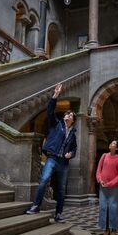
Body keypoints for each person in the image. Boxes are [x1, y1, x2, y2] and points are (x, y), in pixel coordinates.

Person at [26, 83, 77, 223]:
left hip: (63, 163)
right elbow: (49, 111)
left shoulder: (73, 134)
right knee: (43, 180)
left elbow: (74, 149)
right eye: (66, 114)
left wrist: (71, 154)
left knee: (61, 189)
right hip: (52, 158)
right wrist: (55, 95)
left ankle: (58, 214)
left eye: (70, 115)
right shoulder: (56, 124)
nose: (67, 115)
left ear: (73, 120)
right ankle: (36, 206)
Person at [96, 140, 118, 235]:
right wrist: (100, 180)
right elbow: (98, 170)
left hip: (113, 187)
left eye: (113, 144)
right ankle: (106, 228)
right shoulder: (104, 156)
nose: (111, 145)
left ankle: (114, 228)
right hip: (103, 186)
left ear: (116, 148)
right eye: (110, 143)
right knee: (103, 207)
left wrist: (110, 183)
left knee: (113, 207)